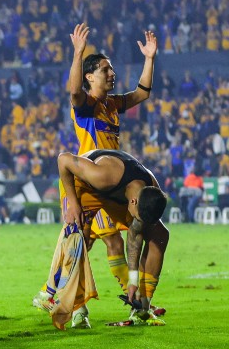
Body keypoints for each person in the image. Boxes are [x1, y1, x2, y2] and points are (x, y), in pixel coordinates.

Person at [35, 23, 157, 309]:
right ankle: (56, 296)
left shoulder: (112, 104)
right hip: (87, 182)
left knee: (103, 242)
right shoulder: (86, 105)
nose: (112, 74)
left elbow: (142, 94)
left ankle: (124, 300)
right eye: (106, 69)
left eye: (111, 69)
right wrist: (78, 53)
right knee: (82, 240)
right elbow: (73, 91)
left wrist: (149, 58)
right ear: (90, 76)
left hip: (112, 184)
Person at [55, 149, 170, 326]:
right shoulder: (103, 175)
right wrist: (73, 203)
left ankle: (142, 307)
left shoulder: (150, 190)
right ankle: (78, 309)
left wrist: (133, 281)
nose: (137, 223)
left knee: (160, 235)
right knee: (79, 238)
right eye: (138, 219)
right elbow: (63, 160)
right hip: (84, 185)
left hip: (115, 196)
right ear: (134, 202)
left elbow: (135, 235)